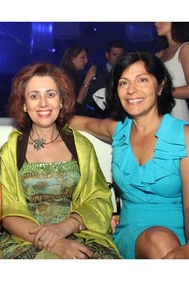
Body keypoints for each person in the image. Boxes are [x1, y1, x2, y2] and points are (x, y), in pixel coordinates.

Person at [69, 50, 189, 259]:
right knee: (159, 240)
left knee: (166, 245)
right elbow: (79, 121)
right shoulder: (117, 130)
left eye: (142, 80)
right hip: (132, 234)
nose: (132, 90)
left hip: (181, 236)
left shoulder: (184, 135)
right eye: (124, 83)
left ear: (161, 86)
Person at [0, 61, 121, 259]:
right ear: (23, 104)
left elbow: (98, 199)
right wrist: (54, 242)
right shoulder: (11, 151)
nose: (43, 103)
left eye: (51, 94)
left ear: (61, 101)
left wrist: (65, 227)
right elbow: (7, 210)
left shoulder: (80, 147)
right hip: (25, 239)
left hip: (79, 232)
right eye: (34, 96)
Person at [155, 22, 189, 122]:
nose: (156, 23)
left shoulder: (185, 48)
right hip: (159, 115)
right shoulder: (158, 54)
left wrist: (161, 91)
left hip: (178, 115)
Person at [85, 40, 125, 119]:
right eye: (114, 55)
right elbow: (90, 100)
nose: (118, 58)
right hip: (103, 119)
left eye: (121, 55)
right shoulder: (98, 74)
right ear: (107, 55)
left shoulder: (128, 73)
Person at [59, 44, 97, 116]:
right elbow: (78, 100)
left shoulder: (76, 74)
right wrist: (88, 78)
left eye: (86, 57)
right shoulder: (68, 75)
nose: (86, 61)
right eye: (82, 58)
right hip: (73, 118)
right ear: (72, 59)